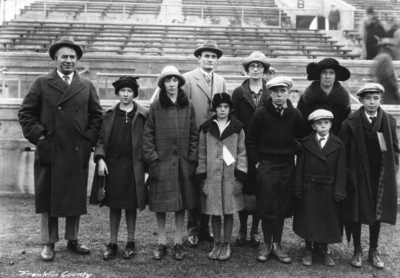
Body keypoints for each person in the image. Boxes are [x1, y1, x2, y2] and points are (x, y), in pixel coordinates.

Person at [18, 36, 103, 261]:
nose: (68, 60)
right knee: (49, 197)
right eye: (64, 56)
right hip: (51, 149)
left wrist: (87, 141)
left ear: (77, 60)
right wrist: (41, 137)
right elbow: (26, 114)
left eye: (72, 57)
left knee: (74, 196)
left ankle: (73, 238)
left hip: (76, 150)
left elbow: (96, 117)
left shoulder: (86, 85)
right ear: (55, 58)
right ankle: (48, 242)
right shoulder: (41, 82)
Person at [339, 83, 399, 269]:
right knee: (357, 212)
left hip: (379, 176)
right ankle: (357, 249)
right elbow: (343, 151)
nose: (371, 102)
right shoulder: (350, 122)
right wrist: (348, 174)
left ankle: (373, 249)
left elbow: (394, 149)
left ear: (380, 99)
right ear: (361, 100)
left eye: (375, 98)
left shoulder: (388, 122)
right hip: (357, 176)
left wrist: (392, 168)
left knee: (376, 214)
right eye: (367, 98)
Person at [246, 76, 305, 264]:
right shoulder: (261, 113)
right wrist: (257, 163)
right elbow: (250, 140)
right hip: (267, 166)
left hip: (287, 166)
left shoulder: (295, 115)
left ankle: (277, 245)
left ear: (289, 93)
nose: (279, 95)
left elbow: (303, 138)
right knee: (267, 206)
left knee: (281, 207)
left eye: (283, 91)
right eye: (275, 92)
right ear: (269, 93)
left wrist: (296, 149)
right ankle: (266, 244)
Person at [89, 76, 148, 260]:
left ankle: (131, 242)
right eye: (122, 90)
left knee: (131, 206)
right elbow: (100, 140)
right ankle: (113, 243)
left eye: (129, 91)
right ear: (118, 93)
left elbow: (147, 142)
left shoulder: (143, 115)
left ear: (134, 94)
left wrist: (146, 168)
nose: (125, 94)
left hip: (133, 167)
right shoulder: (108, 115)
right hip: (112, 166)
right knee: (114, 206)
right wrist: (100, 159)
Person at [143, 66, 199, 261]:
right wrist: (153, 160)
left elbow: (194, 134)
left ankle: (177, 242)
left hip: (183, 163)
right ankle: (161, 242)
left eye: (175, 80)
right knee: (160, 205)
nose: (172, 84)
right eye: (168, 81)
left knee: (180, 204)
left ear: (179, 83)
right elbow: (148, 135)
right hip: (161, 163)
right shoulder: (156, 106)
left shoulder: (188, 105)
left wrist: (192, 159)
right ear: (163, 84)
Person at [182, 40, 227, 246]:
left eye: (213, 57)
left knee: (211, 183)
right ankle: (192, 229)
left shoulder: (221, 81)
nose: (210, 60)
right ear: (199, 58)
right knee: (194, 183)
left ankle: (205, 228)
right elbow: (185, 112)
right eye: (206, 56)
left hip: (215, 138)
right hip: (195, 139)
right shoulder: (188, 79)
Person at [196, 93, 247, 261]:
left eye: (226, 107)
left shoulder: (238, 128)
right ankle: (216, 243)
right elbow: (202, 154)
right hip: (211, 177)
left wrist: (239, 177)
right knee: (215, 211)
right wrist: (203, 177)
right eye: (219, 107)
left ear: (230, 109)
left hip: (230, 177)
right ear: (215, 109)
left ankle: (226, 243)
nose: (223, 110)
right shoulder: (206, 128)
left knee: (229, 211)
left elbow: (242, 153)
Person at [292, 109, 346, 267]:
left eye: (326, 123)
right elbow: (299, 168)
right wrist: (298, 188)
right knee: (309, 219)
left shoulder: (338, 144)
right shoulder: (306, 143)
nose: (323, 126)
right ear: (313, 126)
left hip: (328, 188)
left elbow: (341, 171)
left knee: (326, 220)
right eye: (319, 123)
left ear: (330, 124)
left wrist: (339, 191)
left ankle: (323, 249)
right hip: (310, 187)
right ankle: (308, 249)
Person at [231, 51, 271, 248]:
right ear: (247, 70)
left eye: (259, 66)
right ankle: (242, 229)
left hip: (264, 148)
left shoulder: (270, 92)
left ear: (264, 70)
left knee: (259, 189)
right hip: (243, 147)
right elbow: (233, 117)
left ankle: (256, 229)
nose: (256, 69)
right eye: (252, 66)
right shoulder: (238, 92)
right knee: (243, 186)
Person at [297, 58, 351, 136]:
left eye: (331, 73)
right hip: (310, 145)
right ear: (319, 75)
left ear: (336, 75)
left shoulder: (344, 100)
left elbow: (346, 126)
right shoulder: (306, 98)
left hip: (337, 145)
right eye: (324, 72)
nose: (327, 76)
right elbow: (299, 124)